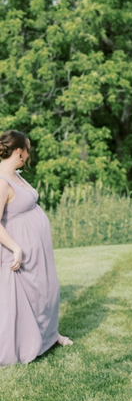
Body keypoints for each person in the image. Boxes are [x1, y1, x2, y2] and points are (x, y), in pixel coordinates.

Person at [0, 130, 73, 366]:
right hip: (19, 249)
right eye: (28, 149)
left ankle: (51, 335)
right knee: (28, 297)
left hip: (39, 251)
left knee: (47, 291)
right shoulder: (2, 181)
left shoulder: (18, 175)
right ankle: (28, 342)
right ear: (19, 150)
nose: (29, 154)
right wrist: (16, 249)